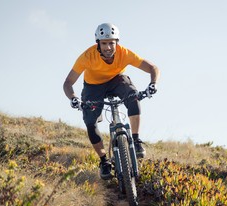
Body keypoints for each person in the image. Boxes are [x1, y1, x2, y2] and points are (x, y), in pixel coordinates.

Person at [63, 23, 160, 180]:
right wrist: (73, 98)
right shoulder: (87, 57)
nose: (108, 47)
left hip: (117, 80)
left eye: (111, 43)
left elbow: (153, 68)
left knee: (133, 97)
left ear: (117, 43)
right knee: (90, 121)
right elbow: (68, 82)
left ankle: (135, 140)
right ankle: (104, 161)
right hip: (93, 87)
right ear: (98, 44)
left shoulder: (125, 53)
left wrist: (153, 83)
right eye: (104, 43)